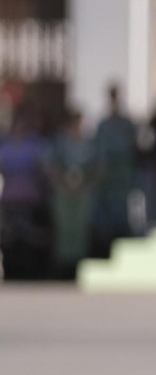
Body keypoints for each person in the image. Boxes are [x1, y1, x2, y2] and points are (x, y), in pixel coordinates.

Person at [44, 108, 100, 279]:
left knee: (79, 231)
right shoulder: (61, 143)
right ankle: (61, 271)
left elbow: (97, 167)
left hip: (82, 192)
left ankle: (78, 269)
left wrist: (85, 184)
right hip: (63, 191)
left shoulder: (89, 144)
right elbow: (51, 166)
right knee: (64, 230)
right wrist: (63, 182)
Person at [0, 106, 51, 281]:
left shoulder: (36, 144)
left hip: (31, 198)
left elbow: (45, 170)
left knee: (30, 240)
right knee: (9, 239)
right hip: (9, 199)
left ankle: (30, 274)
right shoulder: (4, 144)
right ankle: (10, 273)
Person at [92, 83, 142, 254]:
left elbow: (135, 146)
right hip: (107, 173)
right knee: (106, 210)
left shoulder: (127, 124)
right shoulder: (103, 125)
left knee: (123, 207)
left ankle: (124, 240)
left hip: (123, 172)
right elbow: (97, 150)